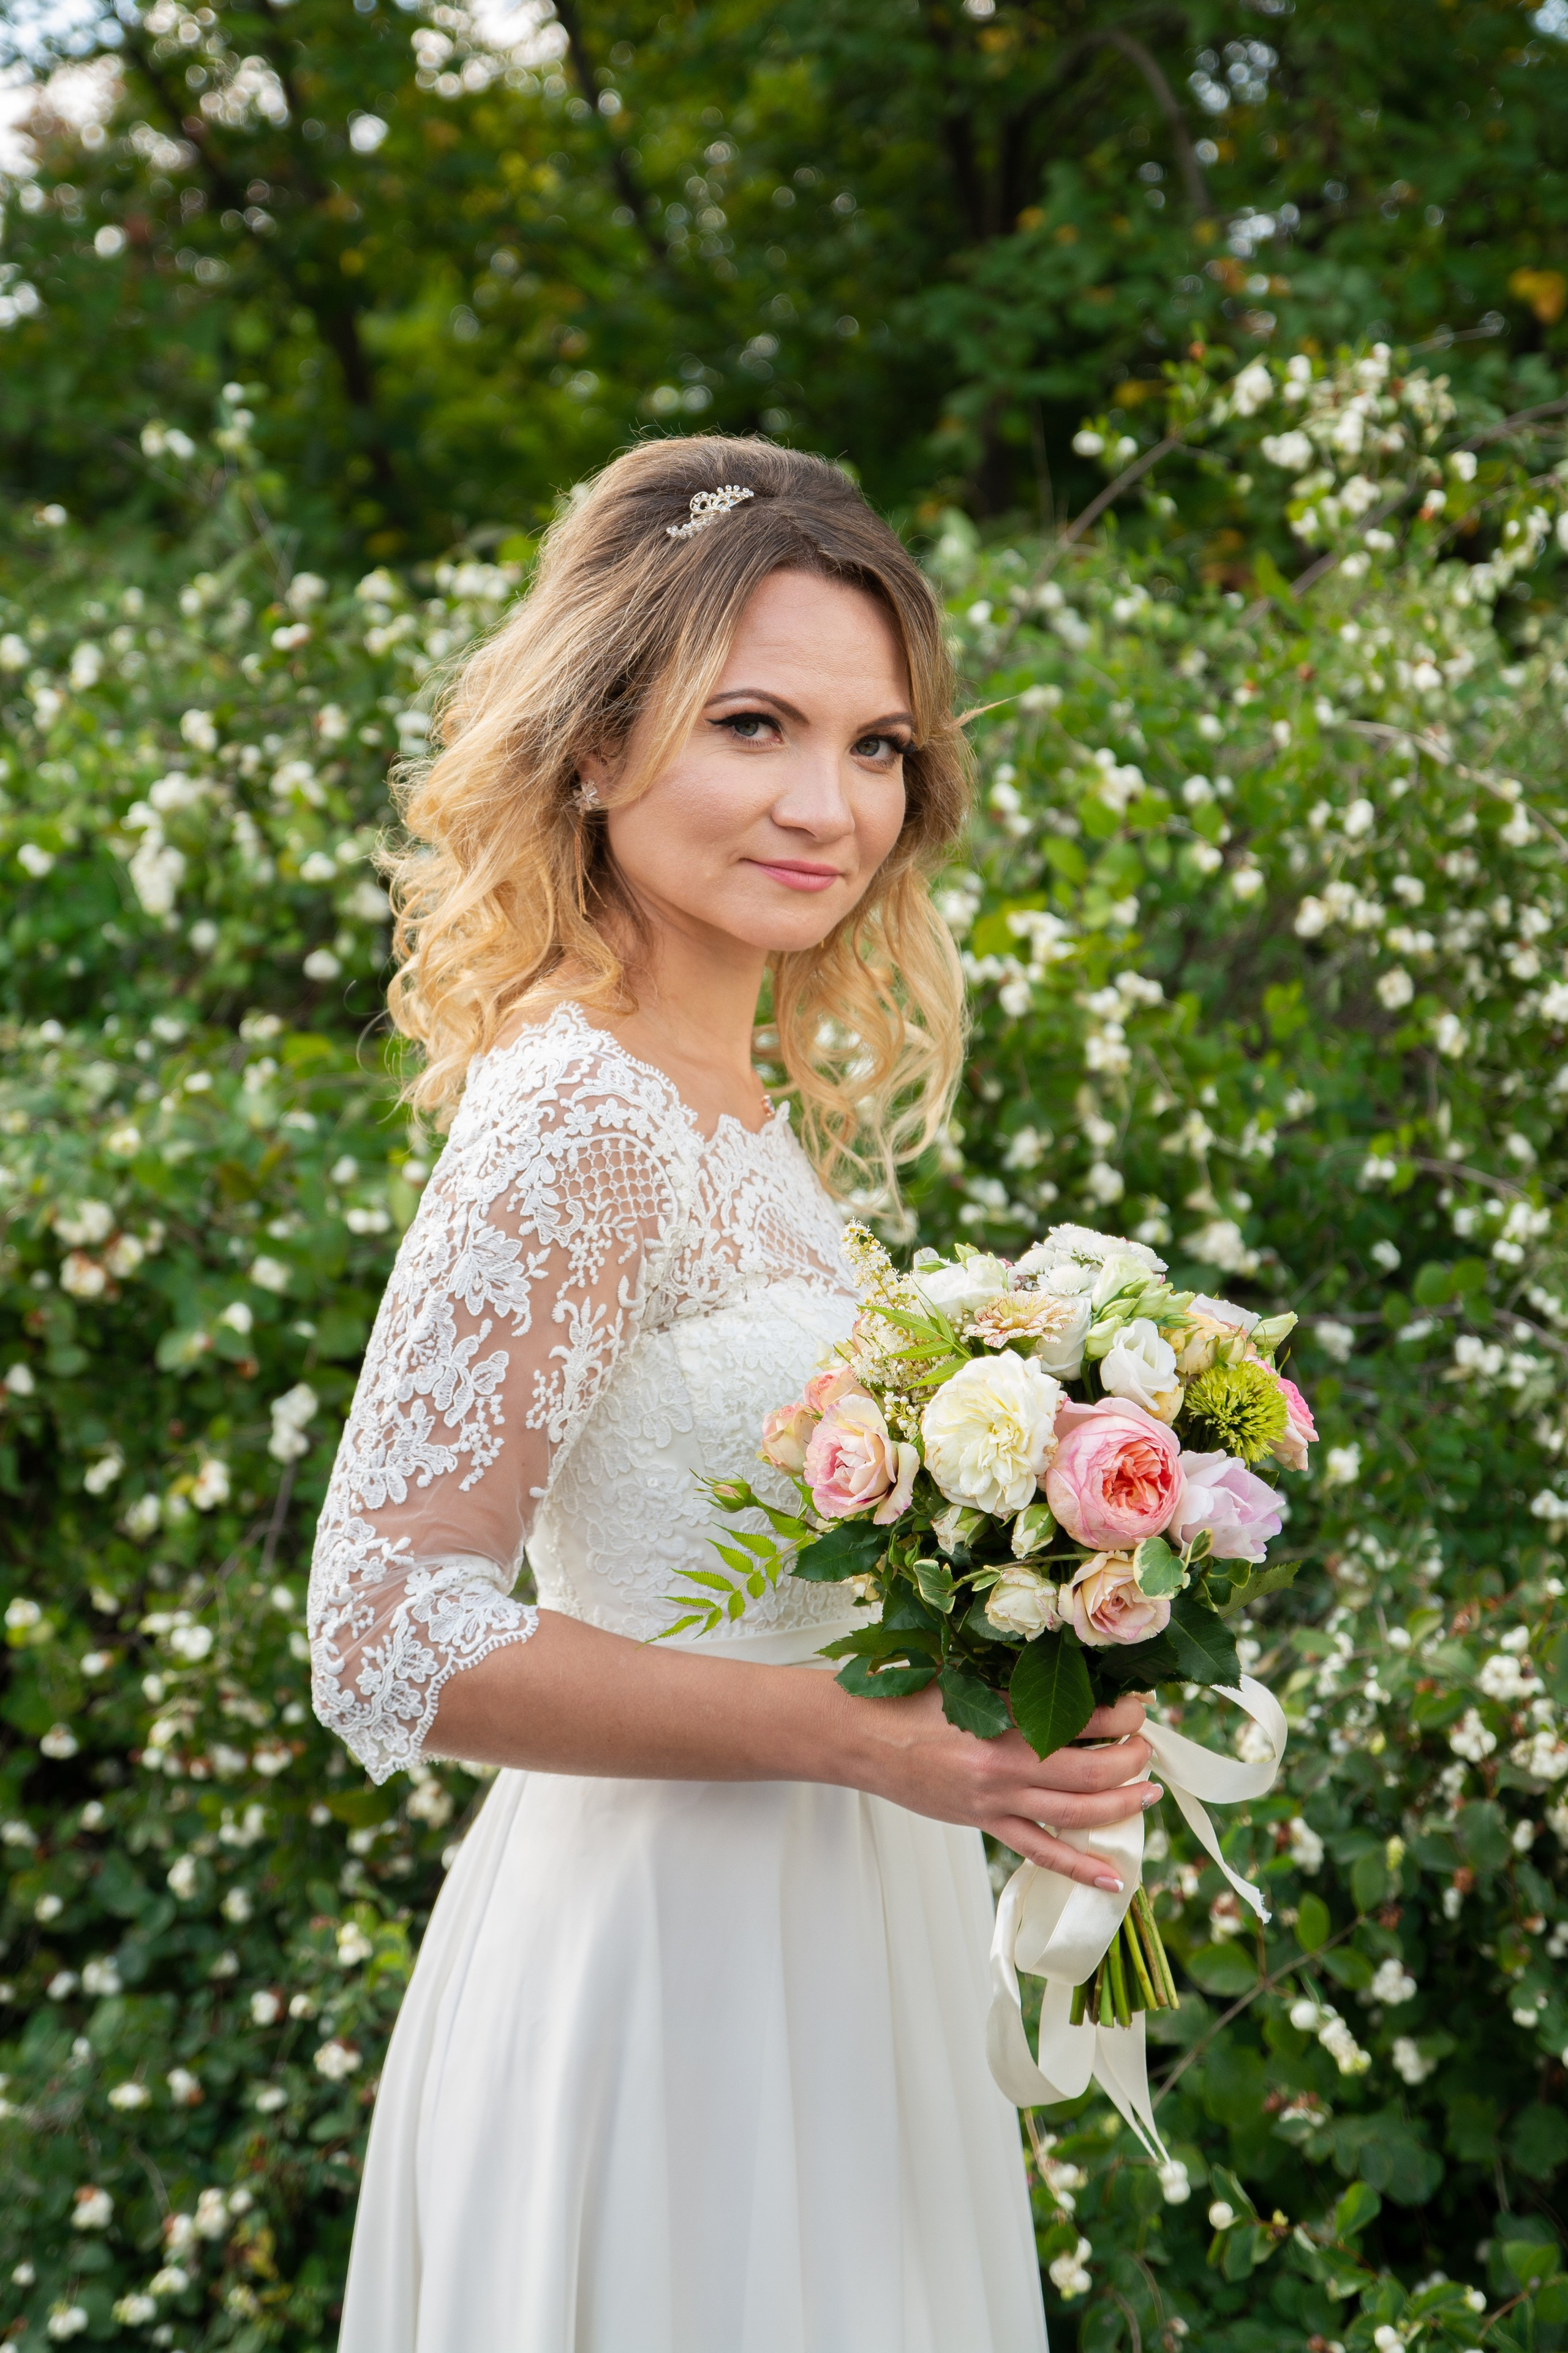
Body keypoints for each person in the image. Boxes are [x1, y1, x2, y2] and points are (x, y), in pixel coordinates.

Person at [307, 436, 1159, 2352]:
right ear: (597, 745)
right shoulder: (575, 1114)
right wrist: (876, 1740)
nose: (827, 802)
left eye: (878, 748)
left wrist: (1039, 1649)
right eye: (755, 722)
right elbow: (379, 1622)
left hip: (848, 1939)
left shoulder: (755, 1126)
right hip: (665, 1970)